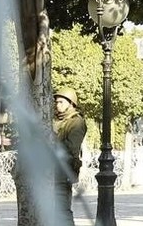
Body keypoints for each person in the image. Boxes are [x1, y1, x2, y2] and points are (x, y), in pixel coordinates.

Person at [53, 87, 87, 225]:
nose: (57, 105)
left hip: (63, 171)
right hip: (50, 170)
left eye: (61, 102)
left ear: (71, 103)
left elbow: (72, 148)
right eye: (56, 102)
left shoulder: (76, 121)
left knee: (62, 210)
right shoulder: (56, 120)